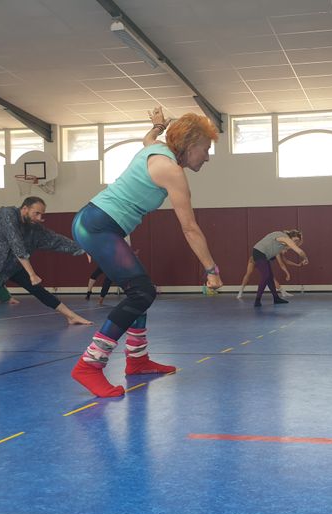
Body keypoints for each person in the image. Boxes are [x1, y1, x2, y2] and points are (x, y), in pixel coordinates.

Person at [70, 106, 221, 398]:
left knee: (140, 291)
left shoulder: (156, 150)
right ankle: (89, 365)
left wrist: (157, 127)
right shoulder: (171, 170)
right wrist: (211, 269)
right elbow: (189, 228)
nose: (207, 156)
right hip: (98, 225)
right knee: (142, 293)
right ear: (190, 147)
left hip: (96, 222)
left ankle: (137, 360)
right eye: (205, 149)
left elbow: (146, 139)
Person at [0, 197, 92, 324]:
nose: (40, 218)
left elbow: (54, 239)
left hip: (7, 264)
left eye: (42, 214)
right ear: (24, 209)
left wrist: (82, 248)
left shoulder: (33, 229)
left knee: (37, 289)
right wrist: (32, 274)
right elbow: (15, 242)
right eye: (36, 213)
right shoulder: (7, 215)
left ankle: (71, 316)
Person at [251, 230, 308, 307]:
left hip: (265, 255)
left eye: (297, 241)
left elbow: (285, 260)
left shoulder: (283, 244)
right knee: (266, 276)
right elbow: (300, 252)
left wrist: (297, 264)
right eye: (295, 240)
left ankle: (276, 298)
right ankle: (257, 300)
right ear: (291, 237)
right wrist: (305, 259)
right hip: (259, 252)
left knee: (270, 277)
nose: (295, 242)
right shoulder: (285, 238)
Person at [236, 245, 303, 299]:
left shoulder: (280, 253)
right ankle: (240, 291)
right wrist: (287, 274)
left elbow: (286, 261)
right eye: (285, 250)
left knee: (271, 277)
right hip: (254, 259)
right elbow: (281, 264)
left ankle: (283, 292)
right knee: (248, 274)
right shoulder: (277, 252)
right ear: (282, 248)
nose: (286, 252)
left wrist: (297, 265)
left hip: (263, 261)